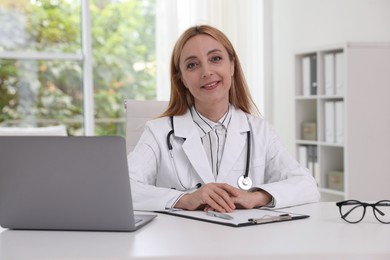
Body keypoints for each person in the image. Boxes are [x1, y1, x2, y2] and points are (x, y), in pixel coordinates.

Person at [128, 25, 320, 213]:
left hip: (244, 241)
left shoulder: (260, 132)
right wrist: (186, 199)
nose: (206, 72)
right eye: (192, 65)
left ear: (232, 66)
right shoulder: (158, 132)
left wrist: (255, 197)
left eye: (216, 59)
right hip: (181, 242)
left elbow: (307, 185)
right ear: (182, 79)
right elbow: (124, 188)